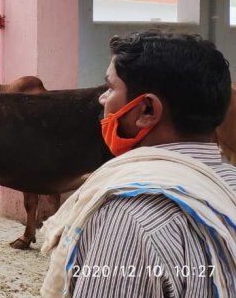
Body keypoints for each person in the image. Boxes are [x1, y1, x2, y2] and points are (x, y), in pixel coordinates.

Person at [41, 31, 236, 298]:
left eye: (110, 88)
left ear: (147, 110)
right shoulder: (229, 181)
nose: (102, 99)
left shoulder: (127, 217)